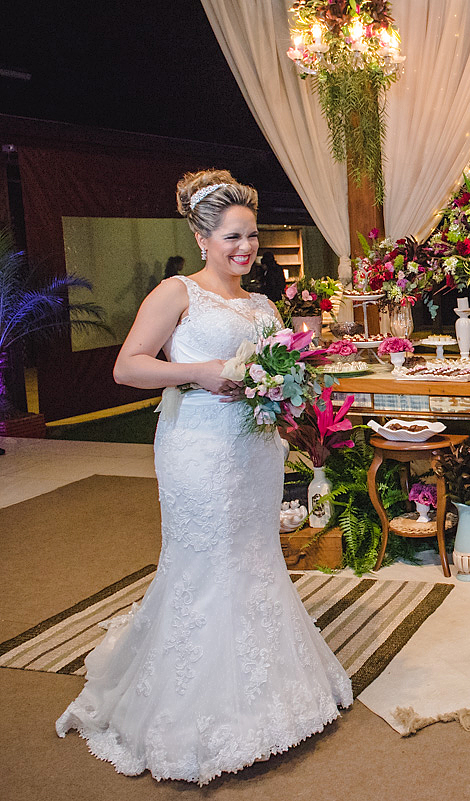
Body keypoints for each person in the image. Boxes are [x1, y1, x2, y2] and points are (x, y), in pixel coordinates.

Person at [56, 170, 352, 784]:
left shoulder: (263, 305)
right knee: (206, 561)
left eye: (252, 236)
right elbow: (127, 367)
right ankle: (197, 713)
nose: (246, 248)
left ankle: (270, 695)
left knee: (255, 555)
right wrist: (199, 370)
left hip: (255, 451)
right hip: (198, 447)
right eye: (232, 237)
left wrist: (289, 397)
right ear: (201, 237)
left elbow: (278, 373)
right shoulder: (177, 293)